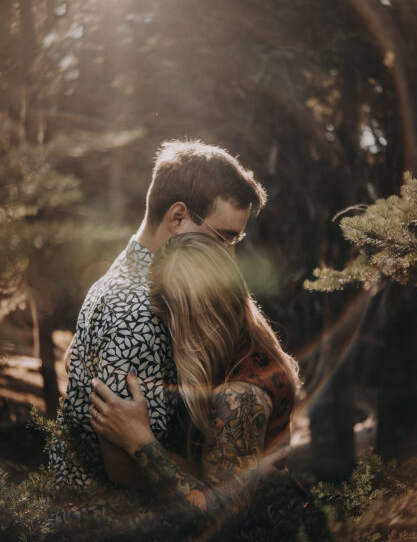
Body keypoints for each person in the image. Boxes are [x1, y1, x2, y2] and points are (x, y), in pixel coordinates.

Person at [48, 140, 267, 489]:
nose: (228, 256)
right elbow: (122, 467)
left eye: (234, 241)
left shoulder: (128, 276)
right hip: (112, 531)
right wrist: (225, 477)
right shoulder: (143, 310)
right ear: (177, 217)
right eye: (222, 238)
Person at [88, 232, 301, 526]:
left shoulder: (239, 396)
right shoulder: (245, 343)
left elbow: (219, 516)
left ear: (192, 318)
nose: (167, 332)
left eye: (169, 319)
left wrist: (139, 441)